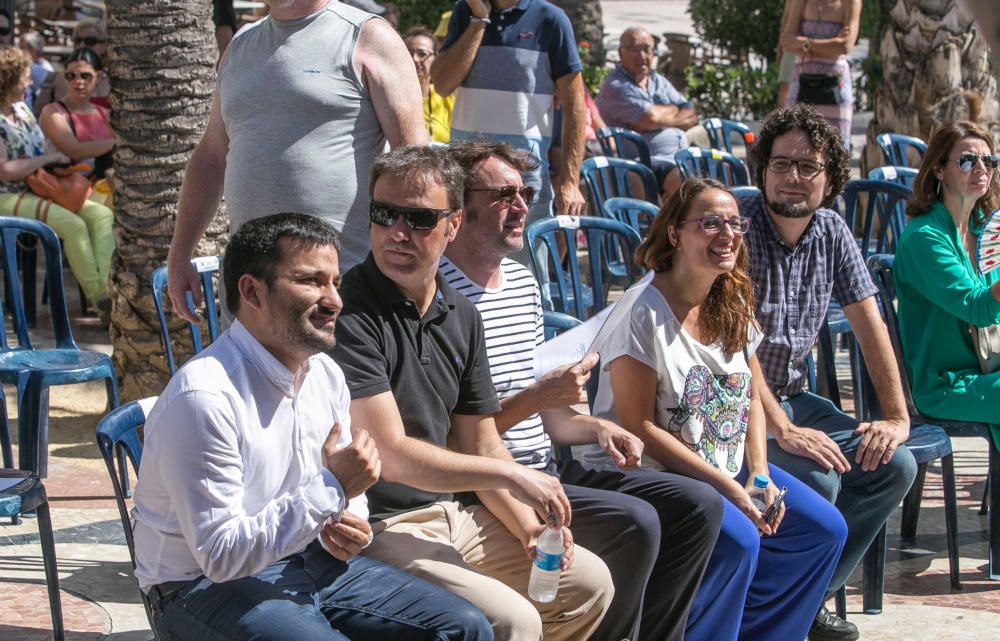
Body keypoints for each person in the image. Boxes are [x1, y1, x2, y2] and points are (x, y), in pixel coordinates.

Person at [131, 212, 494, 641]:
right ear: (252, 291)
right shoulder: (205, 397)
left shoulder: (325, 375)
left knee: (465, 628)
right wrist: (332, 489)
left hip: (309, 559)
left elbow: (341, 494)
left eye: (335, 282)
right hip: (198, 587)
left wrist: (349, 521)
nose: (334, 300)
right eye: (310, 281)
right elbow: (221, 556)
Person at [440, 139, 724, 641]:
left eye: (525, 192)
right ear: (462, 206)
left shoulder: (524, 284)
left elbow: (552, 420)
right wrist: (537, 398)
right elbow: (455, 438)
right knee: (636, 523)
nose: (522, 205)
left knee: (698, 506)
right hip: (487, 484)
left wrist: (597, 426)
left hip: (546, 468)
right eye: (504, 194)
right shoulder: (438, 294)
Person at [332, 145, 613, 641]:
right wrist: (512, 475)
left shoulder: (461, 315)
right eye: (384, 214)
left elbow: (481, 440)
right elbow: (391, 456)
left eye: (418, 218)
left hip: (458, 512)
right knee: (514, 620)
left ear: (453, 223)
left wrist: (526, 527)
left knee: (588, 584)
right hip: (382, 524)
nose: (398, 232)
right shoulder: (350, 312)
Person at [589, 177, 847, 641]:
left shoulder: (731, 297)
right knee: (739, 538)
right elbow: (640, 427)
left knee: (822, 531)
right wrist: (727, 486)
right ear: (675, 234)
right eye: (710, 224)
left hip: (725, 471)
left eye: (735, 223)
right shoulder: (642, 310)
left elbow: (750, 395)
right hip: (650, 473)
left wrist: (760, 475)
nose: (726, 234)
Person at [737, 105, 917, 641]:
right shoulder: (736, 228)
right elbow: (729, 349)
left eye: (808, 167)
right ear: (762, 170)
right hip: (738, 405)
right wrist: (782, 430)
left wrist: (895, 417)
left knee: (895, 464)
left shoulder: (832, 231)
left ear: (831, 179)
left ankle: (804, 597)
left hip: (795, 396)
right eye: (781, 163)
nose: (793, 176)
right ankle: (772, 603)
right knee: (817, 479)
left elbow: (870, 324)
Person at [167, 0, 426, 326]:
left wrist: (412, 269)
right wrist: (179, 255)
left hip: (341, 285)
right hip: (251, 285)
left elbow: (414, 162)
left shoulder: (368, 37)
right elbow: (211, 158)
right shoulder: (240, 46)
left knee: (337, 379)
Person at [431, 0, 588, 266]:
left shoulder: (551, 19)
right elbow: (443, 84)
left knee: (527, 281)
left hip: (524, 186)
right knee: (459, 281)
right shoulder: (465, 11)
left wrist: (570, 181)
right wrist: (479, 20)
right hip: (465, 182)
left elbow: (575, 106)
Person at [895, 120, 1000, 451]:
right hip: (945, 383)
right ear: (938, 170)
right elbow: (978, 308)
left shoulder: (983, 229)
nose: (982, 168)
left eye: (990, 161)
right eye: (968, 160)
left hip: (987, 368)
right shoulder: (925, 238)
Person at [0, 46, 114, 314]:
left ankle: (111, 293)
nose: (30, 82)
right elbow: (5, 171)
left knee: (101, 216)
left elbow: (39, 149)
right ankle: (101, 302)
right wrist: (45, 161)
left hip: (39, 188)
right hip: (8, 194)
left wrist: (52, 161)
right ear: (10, 78)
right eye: (25, 76)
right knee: (73, 225)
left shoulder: (22, 109)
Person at [596, 26, 698, 199]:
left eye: (646, 49)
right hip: (642, 161)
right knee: (682, 180)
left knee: (721, 168)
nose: (642, 56)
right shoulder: (616, 85)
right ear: (620, 53)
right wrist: (673, 111)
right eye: (634, 49)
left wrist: (661, 117)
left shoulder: (658, 80)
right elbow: (648, 119)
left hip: (676, 155)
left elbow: (691, 113)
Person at [780, 0, 861, 146]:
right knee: (795, 145)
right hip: (801, 85)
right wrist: (830, 44)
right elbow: (787, 43)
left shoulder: (850, 2)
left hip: (835, 87)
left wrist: (804, 43)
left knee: (835, 149)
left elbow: (845, 46)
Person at [39, 47, 113, 181]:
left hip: (101, 190)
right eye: (71, 75)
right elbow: (74, 151)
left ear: (99, 77)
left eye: (85, 76)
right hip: (67, 192)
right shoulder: (52, 112)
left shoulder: (105, 114)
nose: (78, 81)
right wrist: (117, 142)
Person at [33, 18, 111, 116]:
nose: (82, 45)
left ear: (105, 46)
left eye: (90, 41)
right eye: (78, 41)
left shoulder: (116, 79)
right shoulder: (64, 78)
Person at [403, 26, 453, 144]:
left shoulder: (446, 97)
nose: (414, 59)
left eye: (422, 54)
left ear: (436, 58)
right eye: (408, 53)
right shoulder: (388, 97)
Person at [17, 31, 52, 110]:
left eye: (22, 48)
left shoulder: (45, 69)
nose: (19, 51)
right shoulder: (24, 66)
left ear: (34, 49)